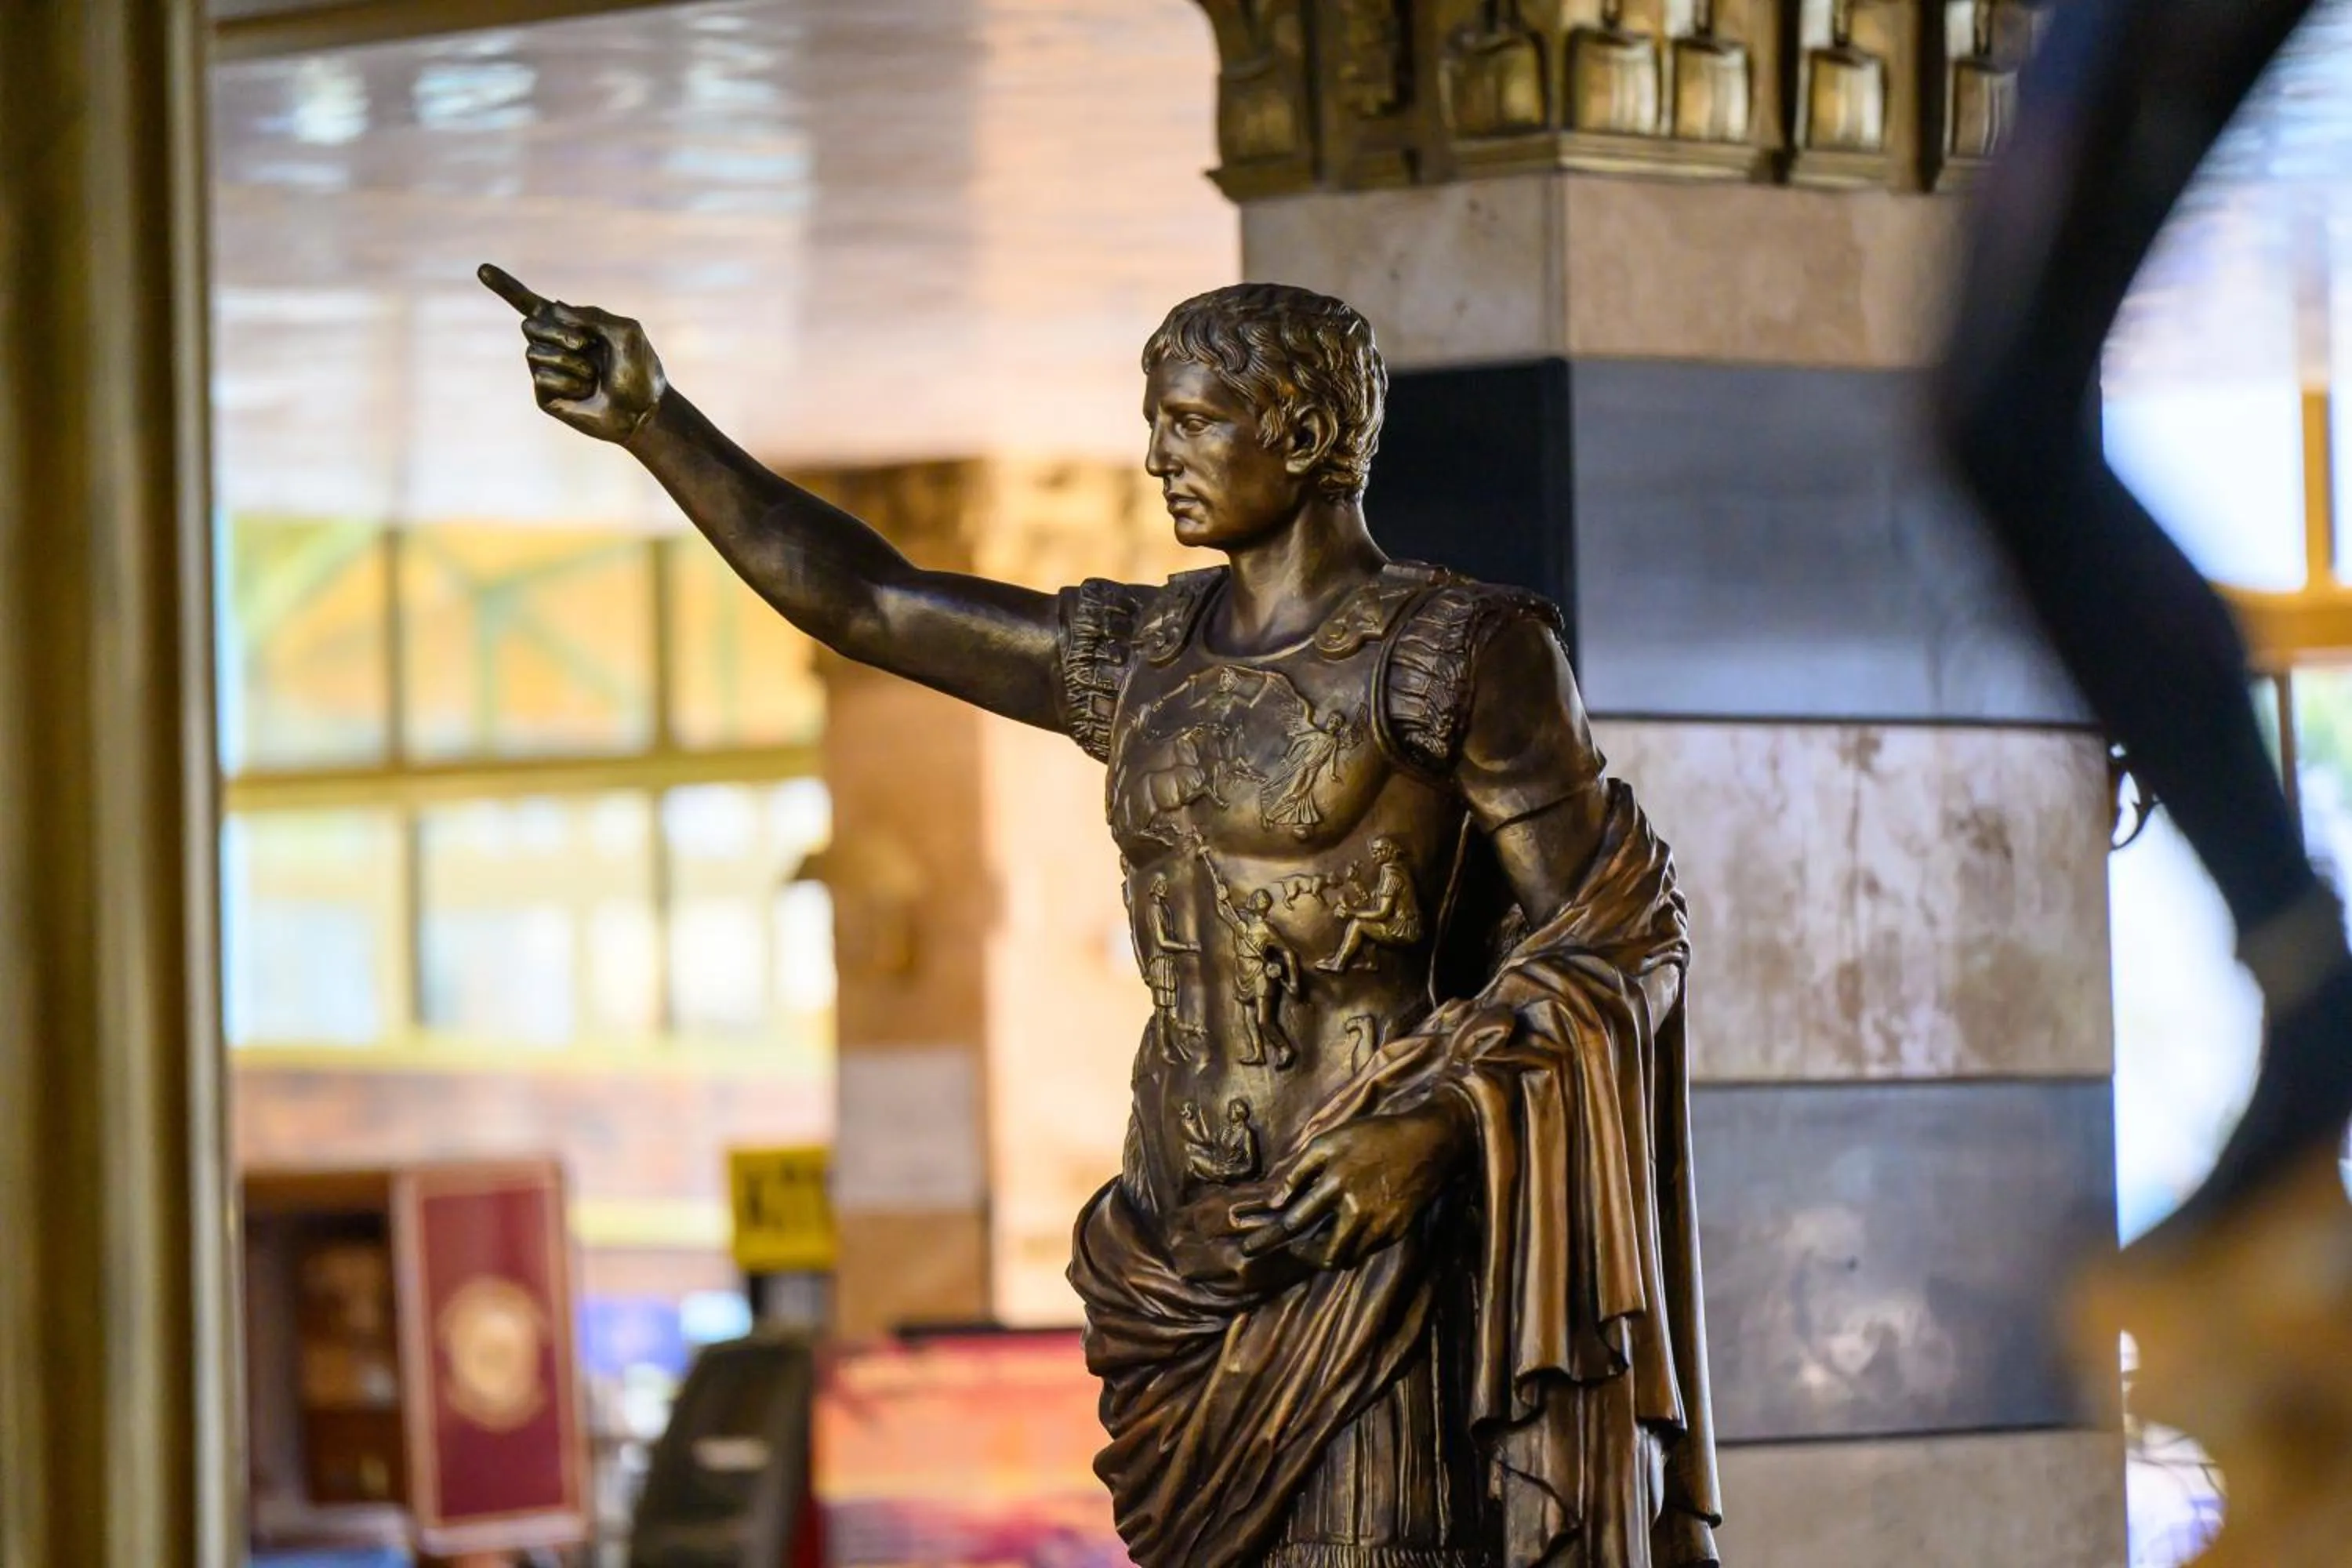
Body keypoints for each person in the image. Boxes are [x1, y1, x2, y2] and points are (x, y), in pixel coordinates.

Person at [484, 267, 1719, 1568]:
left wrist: (1426, 1129)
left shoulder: (1458, 653)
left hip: (1362, 1249)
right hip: (1178, 1245)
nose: (1154, 457)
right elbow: (869, 602)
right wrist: (656, 421)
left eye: (1190, 423)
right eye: (1156, 421)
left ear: (1300, 435)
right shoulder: (1143, 657)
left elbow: (1619, 933)